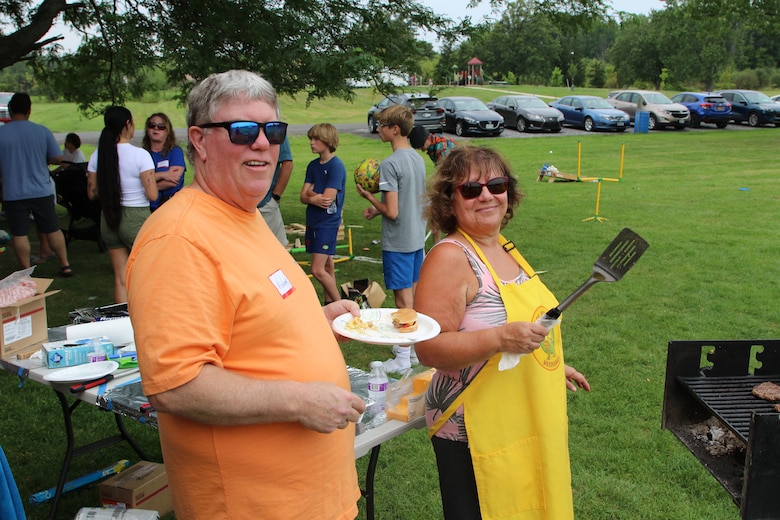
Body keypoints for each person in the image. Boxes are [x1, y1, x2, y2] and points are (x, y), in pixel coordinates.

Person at [126, 69, 365, 520]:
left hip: (310, 497)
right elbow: (177, 385)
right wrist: (299, 400)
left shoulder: (244, 213)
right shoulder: (179, 238)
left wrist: (320, 321)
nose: (261, 143)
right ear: (199, 140)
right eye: (242, 130)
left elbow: (254, 314)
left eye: (272, 130)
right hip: (251, 505)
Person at [414, 145, 591, 520]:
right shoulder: (450, 257)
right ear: (450, 200)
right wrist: (500, 339)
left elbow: (519, 332)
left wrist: (548, 366)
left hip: (521, 412)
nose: (487, 196)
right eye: (471, 189)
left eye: (497, 184)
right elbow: (429, 348)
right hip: (474, 431)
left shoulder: (504, 248)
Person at [356, 104, 426, 373]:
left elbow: (394, 212)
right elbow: (408, 201)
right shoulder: (417, 159)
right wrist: (377, 210)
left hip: (398, 243)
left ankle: (401, 357)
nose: (378, 129)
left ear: (394, 129)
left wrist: (369, 197)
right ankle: (415, 351)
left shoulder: (390, 164)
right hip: (417, 239)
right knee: (415, 300)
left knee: (402, 302)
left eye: (382, 125)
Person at [87, 106, 157, 303]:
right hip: (136, 218)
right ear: (128, 124)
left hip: (109, 216)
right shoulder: (140, 155)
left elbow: (92, 193)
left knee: (120, 279)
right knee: (148, 274)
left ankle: (123, 322)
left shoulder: (97, 155)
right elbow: (152, 194)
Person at [0, 93, 72, 275]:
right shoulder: (42, 131)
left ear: (10, 110)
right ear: (29, 110)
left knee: (19, 233)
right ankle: (65, 265)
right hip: (40, 189)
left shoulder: (2, 133)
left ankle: (26, 270)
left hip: (13, 191)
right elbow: (58, 157)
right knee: (52, 228)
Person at [299, 123, 346, 304]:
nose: (311, 143)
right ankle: (331, 304)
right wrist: (312, 197)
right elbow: (303, 196)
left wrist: (311, 193)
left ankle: (342, 305)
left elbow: (327, 199)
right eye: (311, 138)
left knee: (317, 270)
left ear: (327, 141)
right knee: (327, 265)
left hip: (327, 223)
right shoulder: (313, 166)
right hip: (313, 220)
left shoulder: (336, 167)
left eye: (316, 139)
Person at [141, 113, 186, 212]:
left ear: (167, 131)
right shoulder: (141, 154)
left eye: (161, 126)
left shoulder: (175, 151)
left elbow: (173, 181)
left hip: (170, 206)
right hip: (146, 207)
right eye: (152, 125)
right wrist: (163, 175)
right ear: (147, 129)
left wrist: (148, 187)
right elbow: (139, 179)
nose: (156, 128)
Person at [257, 134, 293, 246]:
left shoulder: (276, 130)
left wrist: (275, 197)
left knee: (277, 251)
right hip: (236, 207)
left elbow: (287, 164)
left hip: (265, 205)